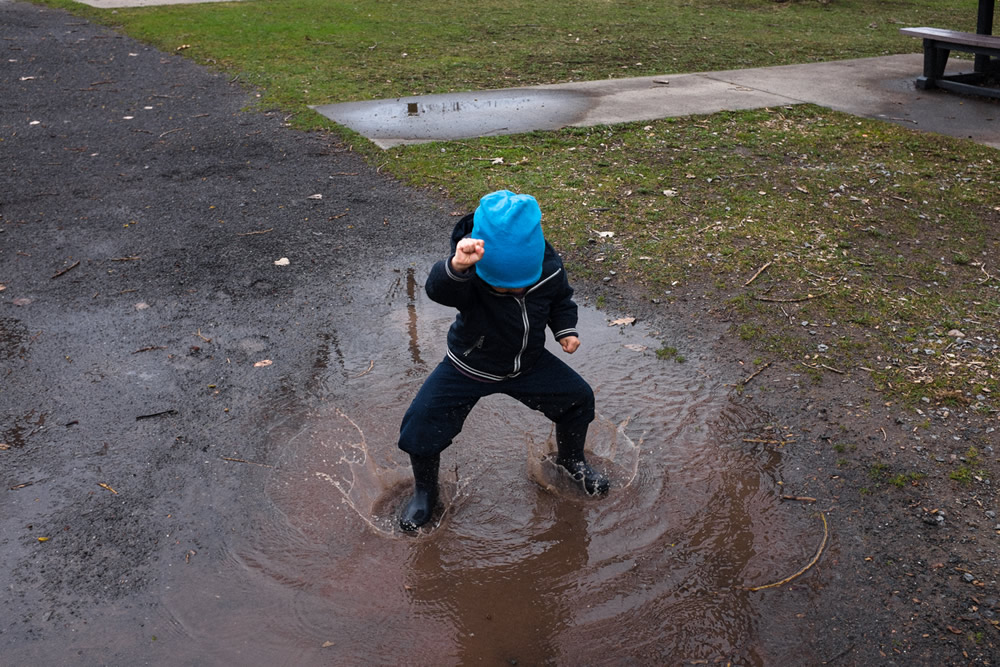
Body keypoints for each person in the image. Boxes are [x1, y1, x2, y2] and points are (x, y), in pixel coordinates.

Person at [397, 189, 610, 532]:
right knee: (421, 423)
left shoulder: (549, 267)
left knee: (577, 398)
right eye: (505, 288)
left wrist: (565, 329)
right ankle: (425, 493)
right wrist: (456, 267)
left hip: (528, 364)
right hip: (469, 366)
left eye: (522, 286)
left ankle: (571, 459)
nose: (515, 293)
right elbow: (440, 291)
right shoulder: (470, 273)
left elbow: (560, 299)